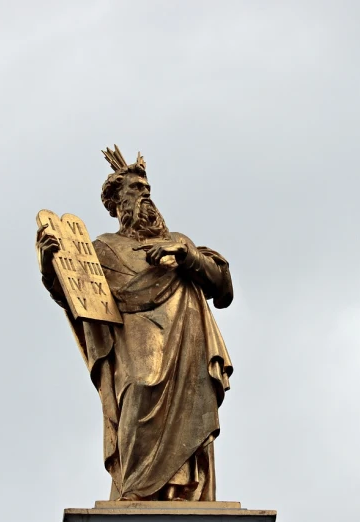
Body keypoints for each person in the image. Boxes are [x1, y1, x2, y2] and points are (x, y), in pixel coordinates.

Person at [36, 145, 234, 501]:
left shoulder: (178, 242)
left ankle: (181, 492)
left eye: (147, 187)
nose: (145, 192)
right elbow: (75, 296)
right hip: (133, 340)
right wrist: (49, 267)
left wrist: (185, 256)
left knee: (192, 406)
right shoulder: (104, 248)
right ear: (116, 203)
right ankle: (135, 493)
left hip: (187, 338)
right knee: (140, 391)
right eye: (135, 187)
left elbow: (221, 286)